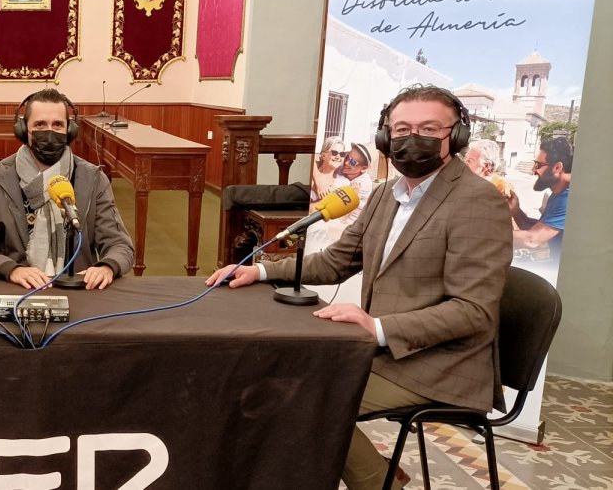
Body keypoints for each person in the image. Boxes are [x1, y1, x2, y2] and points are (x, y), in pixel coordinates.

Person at [207, 85, 511, 490]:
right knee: (273, 377)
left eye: (429, 128)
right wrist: (261, 271)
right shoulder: (386, 193)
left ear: (454, 137)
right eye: (401, 129)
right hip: (382, 353)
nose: (411, 138)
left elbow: (474, 310)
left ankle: (383, 484)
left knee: (302, 399)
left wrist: (378, 327)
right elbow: (336, 261)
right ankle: (381, 474)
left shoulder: (477, 200)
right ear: (385, 136)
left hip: (441, 364)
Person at [0, 87, 133, 290]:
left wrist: (107, 267)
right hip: (16, 289)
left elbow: (120, 245)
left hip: (79, 291)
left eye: (58, 125)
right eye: (40, 124)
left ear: (70, 130)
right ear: (23, 131)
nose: (49, 132)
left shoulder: (93, 179)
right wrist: (11, 269)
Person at [509, 136, 572, 259]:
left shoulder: (568, 198)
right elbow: (536, 230)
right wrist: (515, 210)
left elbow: (532, 240)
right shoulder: (558, 193)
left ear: (557, 167)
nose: (533, 170)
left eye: (538, 165)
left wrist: (486, 233)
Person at [337, 142, 373, 227]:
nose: (346, 163)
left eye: (352, 162)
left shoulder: (364, 183)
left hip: (349, 225)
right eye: (347, 157)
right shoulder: (341, 168)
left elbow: (346, 211)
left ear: (363, 168)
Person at [311, 135, 346, 203]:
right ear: (323, 155)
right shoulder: (310, 173)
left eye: (342, 154)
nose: (338, 157)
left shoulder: (343, 183)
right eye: (334, 153)